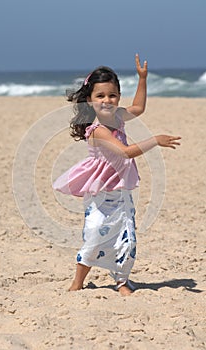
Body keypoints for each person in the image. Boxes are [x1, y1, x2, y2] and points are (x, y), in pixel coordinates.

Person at [53, 54, 181, 296]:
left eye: (112, 95)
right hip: (100, 193)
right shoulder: (97, 130)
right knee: (94, 235)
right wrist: (155, 140)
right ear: (89, 100)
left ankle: (122, 281)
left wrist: (142, 79)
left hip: (121, 191)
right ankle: (78, 281)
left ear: (119, 97)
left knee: (126, 238)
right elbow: (125, 153)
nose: (107, 100)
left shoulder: (119, 116)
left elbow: (139, 108)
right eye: (100, 96)